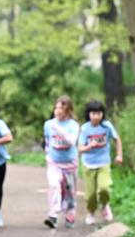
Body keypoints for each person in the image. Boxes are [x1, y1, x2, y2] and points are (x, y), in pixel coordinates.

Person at [78, 100, 123, 225]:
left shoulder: (107, 126)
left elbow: (117, 139)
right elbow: (80, 149)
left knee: (104, 188)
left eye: (99, 113)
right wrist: (89, 146)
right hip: (88, 163)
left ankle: (104, 205)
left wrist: (119, 155)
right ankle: (91, 212)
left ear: (102, 114)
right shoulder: (85, 128)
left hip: (103, 162)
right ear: (89, 114)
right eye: (93, 113)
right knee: (91, 194)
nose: (96, 116)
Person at [42, 95, 80, 229]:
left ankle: (70, 213)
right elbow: (47, 141)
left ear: (68, 110)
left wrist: (59, 129)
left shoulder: (73, 125)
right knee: (54, 185)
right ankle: (53, 215)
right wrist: (48, 155)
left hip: (70, 163)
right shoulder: (48, 124)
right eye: (56, 107)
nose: (58, 111)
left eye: (62, 108)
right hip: (54, 162)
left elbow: (72, 141)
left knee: (69, 191)